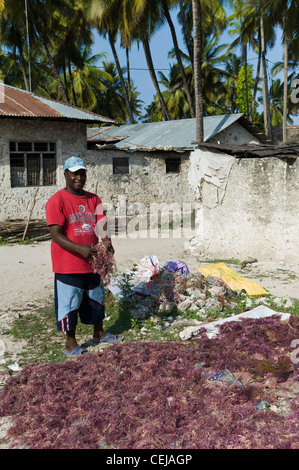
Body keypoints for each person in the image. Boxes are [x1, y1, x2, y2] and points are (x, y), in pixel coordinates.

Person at [45, 156, 118, 357]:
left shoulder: (94, 199)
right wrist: (81, 249)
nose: (79, 177)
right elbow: (56, 235)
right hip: (68, 264)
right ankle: (70, 343)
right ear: (66, 175)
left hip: (94, 262)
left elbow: (101, 224)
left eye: (82, 173)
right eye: (74, 173)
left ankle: (99, 332)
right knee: (70, 303)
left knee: (97, 298)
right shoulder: (57, 201)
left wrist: (106, 243)